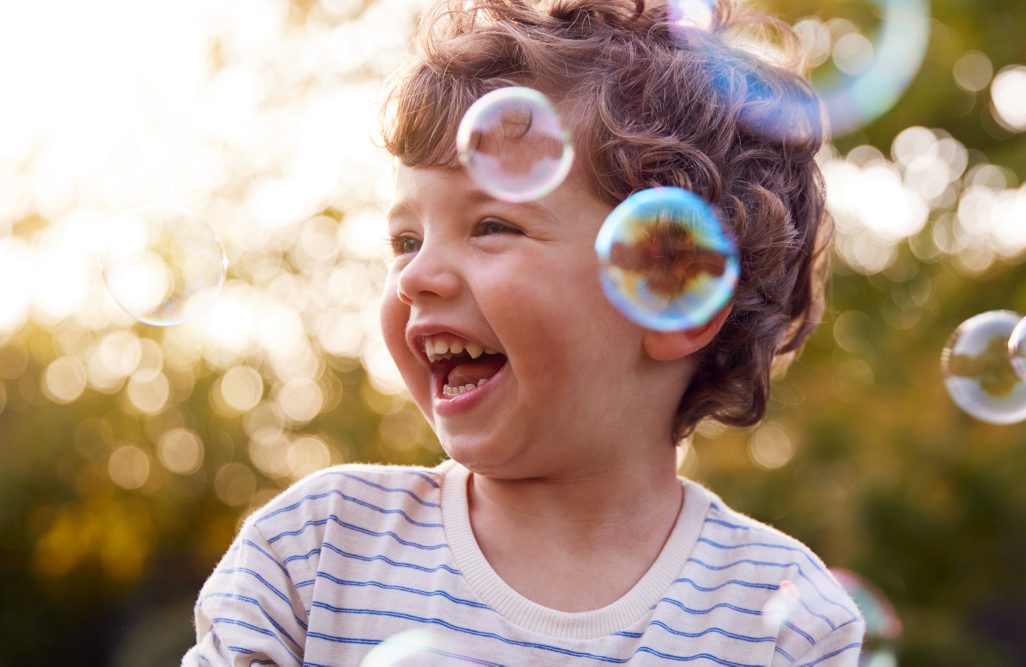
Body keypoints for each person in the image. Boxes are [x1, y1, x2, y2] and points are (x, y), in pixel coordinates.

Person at [184, 0, 864, 664]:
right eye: (405, 239)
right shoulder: (315, 552)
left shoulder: (783, 622)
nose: (415, 276)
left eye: (491, 226)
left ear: (674, 293)